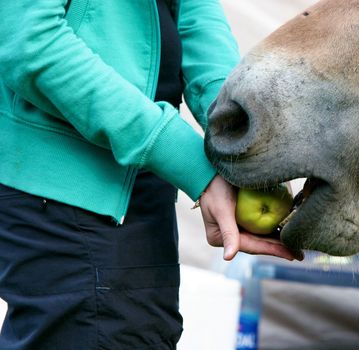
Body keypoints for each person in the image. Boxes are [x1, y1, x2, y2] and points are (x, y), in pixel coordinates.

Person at [0, 0, 298, 348]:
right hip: (62, 198)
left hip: (144, 193)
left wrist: (244, 141)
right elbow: (30, 40)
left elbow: (196, 19)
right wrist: (192, 163)